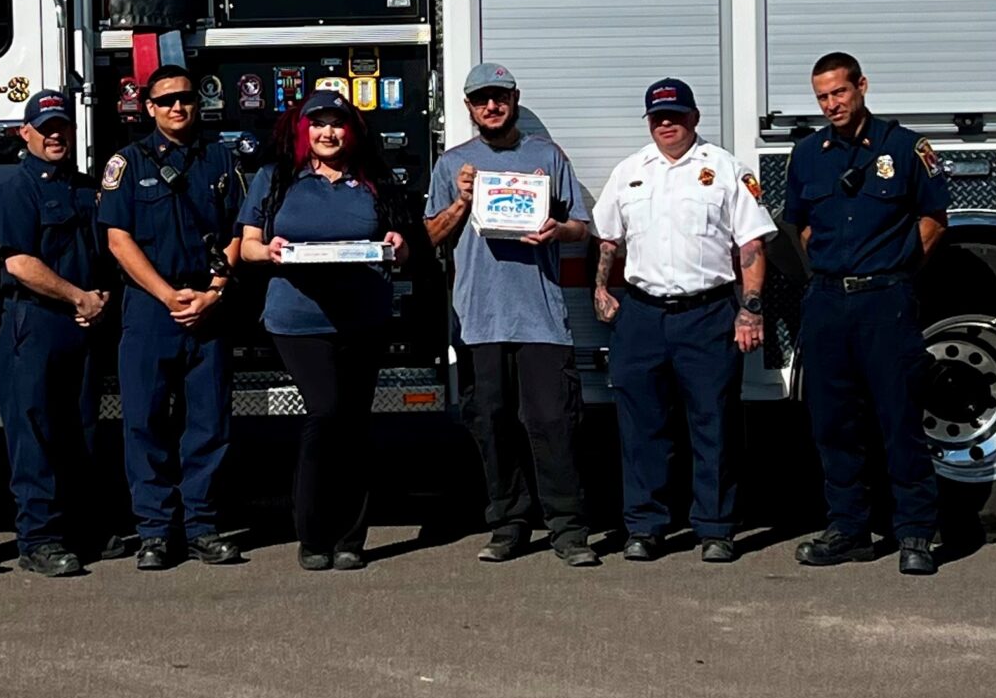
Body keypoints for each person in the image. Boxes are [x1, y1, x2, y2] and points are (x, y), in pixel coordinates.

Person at [780, 52, 950, 577]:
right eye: (823, 97)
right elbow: (800, 227)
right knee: (834, 422)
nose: (832, 104)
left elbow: (934, 219)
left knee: (898, 419)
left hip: (885, 301)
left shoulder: (905, 148)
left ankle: (916, 534)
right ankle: (849, 529)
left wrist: (893, 270)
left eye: (840, 92)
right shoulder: (808, 154)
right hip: (829, 302)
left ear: (862, 87)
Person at [590, 78, 773, 563]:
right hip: (642, 315)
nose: (666, 123)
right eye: (657, 116)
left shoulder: (727, 169)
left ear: (694, 117)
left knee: (714, 423)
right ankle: (646, 527)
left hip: (708, 314)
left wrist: (750, 310)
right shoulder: (630, 172)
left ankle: (716, 528)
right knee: (640, 426)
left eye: (675, 114)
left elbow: (751, 246)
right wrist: (601, 289)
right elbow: (608, 239)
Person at [423, 63, 596, 567]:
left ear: (515, 99)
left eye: (499, 97)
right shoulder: (453, 164)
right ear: (468, 107)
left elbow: (581, 228)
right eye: (481, 100)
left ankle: (569, 530)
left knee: (553, 422)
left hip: (541, 317)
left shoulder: (547, 156)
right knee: (491, 422)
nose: (491, 107)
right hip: (479, 318)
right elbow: (431, 236)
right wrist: (463, 199)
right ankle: (509, 523)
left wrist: (555, 231)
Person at [236, 88, 408, 570]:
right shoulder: (276, 178)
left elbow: (402, 243)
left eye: (337, 124)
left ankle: (351, 539)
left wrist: (396, 242)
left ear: (350, 130)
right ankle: (312, 535)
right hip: (298, 320)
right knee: (326, 412)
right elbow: (247, 245)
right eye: (318, 124)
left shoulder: (374, 179)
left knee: (354, 423)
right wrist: (268, 250)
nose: (328, 132)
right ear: (302, 130)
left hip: (363, 317)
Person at [100, 61, 246, 570]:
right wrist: (166, 295)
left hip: (208, 307)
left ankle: (204, 527)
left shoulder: (221, 160)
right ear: (148, 107)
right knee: (144, 421)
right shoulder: (128, 163)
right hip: (150, 309)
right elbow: (118, 240)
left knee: (208, 422)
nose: (177, 107)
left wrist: (215, 290)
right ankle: (156, 532)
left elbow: (236, 232)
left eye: (185, 97)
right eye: (165, 100)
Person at [0, 88, 112, 579]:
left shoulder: (85, 187)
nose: (55, 135)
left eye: (61, 127)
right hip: (34, 322)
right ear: (26, 134)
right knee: (33, 431)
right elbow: (19, 262)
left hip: (81, 321)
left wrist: (98, 297)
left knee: (78, 428)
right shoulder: (18, 189)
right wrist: (76, 296)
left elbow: (102, 252)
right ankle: (38, 539)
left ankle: (80, 529)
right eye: (45, 129)